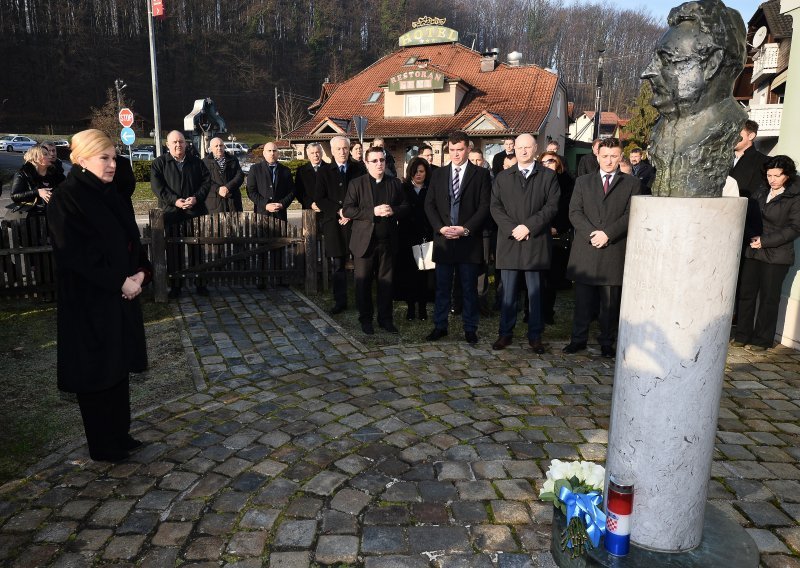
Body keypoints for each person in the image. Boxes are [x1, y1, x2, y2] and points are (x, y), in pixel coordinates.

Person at [47, 129, 150, 463]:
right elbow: (75, 254)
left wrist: (140, 273)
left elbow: (131, 239)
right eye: (104, 158)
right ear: (82, 159)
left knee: (118, 367)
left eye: (113, 158)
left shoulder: (112, 192)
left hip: (120, 298)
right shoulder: (68, 197)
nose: (112, 164)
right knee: (96, 372)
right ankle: (102, 445)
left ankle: (120, 434)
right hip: (89, 304)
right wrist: (119, 281)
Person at [643, 0, 746, 197]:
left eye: (667, 60)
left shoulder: (723, 128)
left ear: (712, 63)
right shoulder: (663, 127)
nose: (648, 72)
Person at [563, 138, 640, 358]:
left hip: (613, 249)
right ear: (597, 156)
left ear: (620, 157)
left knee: (609, 303)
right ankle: (578, 340)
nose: (608, 160)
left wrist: (608, 234)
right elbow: (575, 212)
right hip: (586, 249)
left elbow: (631, 214)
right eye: (605, 156)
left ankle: (607, 342)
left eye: (613, 156)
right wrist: (592, 233)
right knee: (583, 302)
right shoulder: (583, 182)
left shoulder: (632, 184)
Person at [490, 134, 560, 354]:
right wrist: (514, 229)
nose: (522, 151)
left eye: (527, 147)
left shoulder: (548, 176)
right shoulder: (503, 177)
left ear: (535, 148)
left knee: (535, 293)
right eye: (519, 147)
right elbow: (495, 207)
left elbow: (551, 206)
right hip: (510, 241)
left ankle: (535, 336)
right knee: (508, 293)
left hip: (535, 241)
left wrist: (528, 227)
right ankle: (505, 333)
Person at [424, 130, 491, 344]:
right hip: (444, 240)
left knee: (469, 288)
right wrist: (440, 228)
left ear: (468, 148)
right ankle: (440, 326)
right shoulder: (439, 174)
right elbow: (429, 204)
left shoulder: (480, 175)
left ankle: (470, 328)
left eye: (459, 149)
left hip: (468, 241)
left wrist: (466, 229)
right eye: (451, 150)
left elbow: (484, 206)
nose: (455, 154)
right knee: (442, 287)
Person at [733, 156, 800, 351]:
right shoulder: (761, 190)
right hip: (753, 250)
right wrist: (752, 236)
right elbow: (748, 215)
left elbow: (795, 228)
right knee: (746, 294)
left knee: (769, 299)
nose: (772, 179)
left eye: (777, 176)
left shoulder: (795, 196)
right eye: (769, 175)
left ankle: (762, 340)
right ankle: (742, 335)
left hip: (777, 255)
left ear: (787, 175)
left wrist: (765, 241)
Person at [343, 146, 409, 334]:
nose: (379, 164)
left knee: (386, 283)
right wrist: (372, 212)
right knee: (363, 283)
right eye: (375, 161)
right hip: (364, 243)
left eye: (382, 160)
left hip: (387, 242)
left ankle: (385, 319)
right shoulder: (357, 184)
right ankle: (366, 320)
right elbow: (348, 209)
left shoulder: (394, 183)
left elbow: (406, 206)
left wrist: (394, 210)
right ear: (366, 163)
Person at [151, 130, 211, 298]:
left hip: (195, 212)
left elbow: (207, 182)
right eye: (175, 142)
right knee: (174, 251)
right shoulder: (159, 163)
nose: (178, 145)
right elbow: (158, 188)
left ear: (186, 143)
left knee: (197, 250)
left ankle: (200, 284)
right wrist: (175, 201)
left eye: (181, 142)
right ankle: (176, 286)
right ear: (167, 145)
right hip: (172, 214)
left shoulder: (196, 162)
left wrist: (196, 198)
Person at [316, 136, 366, 313]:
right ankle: (340, 302)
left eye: (345, 148)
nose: (343, 152)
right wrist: (340, 211)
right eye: (339, 149)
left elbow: (365, 196)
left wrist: (351, 214)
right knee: (338, 265)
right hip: (334, 223)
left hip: (356, 224)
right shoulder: (323, 172)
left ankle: (362, 301)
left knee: (361, 264)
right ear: (332, 151)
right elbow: (320, 198)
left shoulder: (359, 169)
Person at [538, 151, 575, 324]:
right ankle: (530, 312)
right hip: (537, 233)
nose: (547, 164)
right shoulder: (536, 180)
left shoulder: (567, 182)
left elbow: (570, 209)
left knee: (551, 279)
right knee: (535, 277)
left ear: (558, 163)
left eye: (551, 161)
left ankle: (547, 313)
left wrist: (558, 227)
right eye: (543, 162)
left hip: (556, 236)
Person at [397, 157, 434, 321]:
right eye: (415, 171)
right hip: (407, 237)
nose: (418, 175)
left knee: (425, 274)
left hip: (426, 236)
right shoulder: (403, 188)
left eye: (421, 171)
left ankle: (423, 308)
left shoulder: (431, 189)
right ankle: (411, 308)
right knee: (409, 274)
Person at [11, 144, 65, 217]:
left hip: (55, 215)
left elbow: (67, 188)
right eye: (45, 154)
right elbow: (15, 196)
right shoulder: (23, 174)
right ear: (35, 158)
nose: (50, 156)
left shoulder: (55, 173)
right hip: (33, 218)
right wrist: (37, 192)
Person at [247, 142, 295, 220]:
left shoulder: (285, 170)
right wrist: (265, 204)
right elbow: (251, 191)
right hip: (262, 214)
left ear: (278, 153)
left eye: (274, 151)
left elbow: (292, 191)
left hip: (280, 215)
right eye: (269, 151)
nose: (272, 153)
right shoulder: (255, 169)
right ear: (264, 153)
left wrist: (282, 204)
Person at [203, 137, 244, 214]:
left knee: (235, 225)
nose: (219, 148)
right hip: (214, 203)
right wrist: (218, 189)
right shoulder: (205, 162)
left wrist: (228, 187)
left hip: (233, 202)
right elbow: (204, 180)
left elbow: (240, 175)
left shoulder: (233, 159)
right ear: (211, 148)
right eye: (216, 146)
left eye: (221, 145)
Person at [730, 120, 768, 199]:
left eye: (737, 134)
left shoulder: (764, 162)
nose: (732, 138)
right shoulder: (719, 159)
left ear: (751, 136)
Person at [295, 142, 324, 211]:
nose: (315, 155)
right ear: (308, 155)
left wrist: (324, 204)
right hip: (308, 210)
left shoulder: (330, 169)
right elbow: (299, 191)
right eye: (312, 153)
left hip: (326, 210)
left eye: (317, 152)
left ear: (322, 153)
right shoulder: (301, 171)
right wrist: (310, 203)